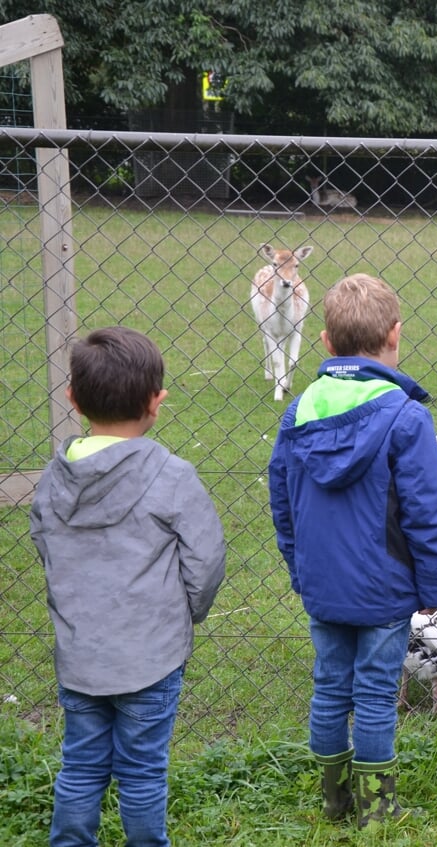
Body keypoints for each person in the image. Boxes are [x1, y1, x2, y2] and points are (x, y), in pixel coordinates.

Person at [268, 273, 437, 827]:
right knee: (374, 695)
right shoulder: (405, 416)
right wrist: (435, 584)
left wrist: (299, 567)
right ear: (396, 334)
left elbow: (282, 502)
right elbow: (427, 513)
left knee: (329, 688)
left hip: (323, 583)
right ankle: (376, 811)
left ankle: (335, 802)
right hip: (386, 587)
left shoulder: (298, 411)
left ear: (325, 341)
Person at [31, 326, 226, 847]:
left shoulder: (53, 479)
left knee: (81, 767)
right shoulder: (173, 476)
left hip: (81, 656)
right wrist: (185, 612)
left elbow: (45, 549)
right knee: (141, 773)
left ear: (72, 397)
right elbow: (205, 563)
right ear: (157, 402)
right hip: (151, 658)